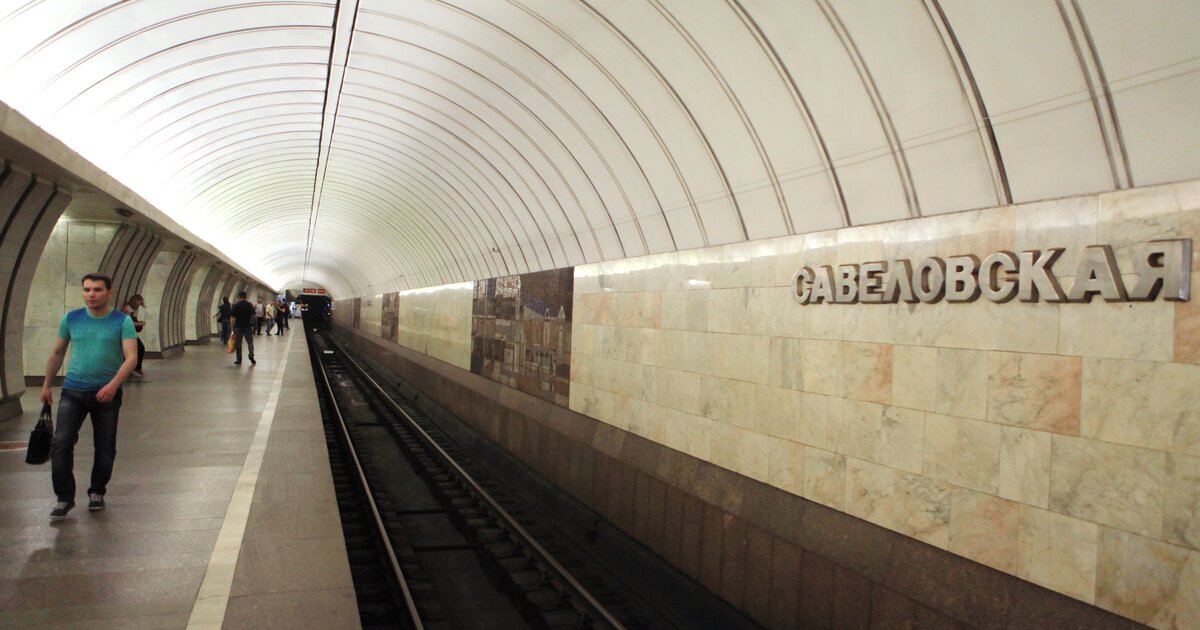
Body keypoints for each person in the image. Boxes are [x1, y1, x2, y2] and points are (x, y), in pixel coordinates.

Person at [41, 273, 138, 521]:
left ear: (109, 292)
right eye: (86, 290)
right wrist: (46, 385)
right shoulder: (71, 319)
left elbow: (131, 358)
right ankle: (64, 497)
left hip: (107, 393)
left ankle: (97, 491)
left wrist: (114, 385)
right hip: (73, 390)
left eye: (96, 290)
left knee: (105, 447)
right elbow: (57, 352)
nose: (91, 294)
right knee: (61, 443)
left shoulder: (121, 321)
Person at [121, 294, 146, 377]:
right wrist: (140, 323)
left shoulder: (131, 309)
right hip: (127, 333)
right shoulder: (127, 309)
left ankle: (135, 368)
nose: (139, 306)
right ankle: (135, 368)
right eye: (138, 303)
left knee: (138, 348)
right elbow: (128, 322)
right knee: (140, 348)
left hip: (130, 333)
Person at [231, 291, 256, 366]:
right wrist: (254, 326)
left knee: (239, 343)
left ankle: (239, 360)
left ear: (239, 297)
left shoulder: (236, 306)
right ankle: (251, 355)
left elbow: (232, 318)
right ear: (246, 297)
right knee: (250, 342)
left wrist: (232, 328)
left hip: (238, 327)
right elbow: (253, 316)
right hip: (248, 327)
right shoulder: (250, 305)